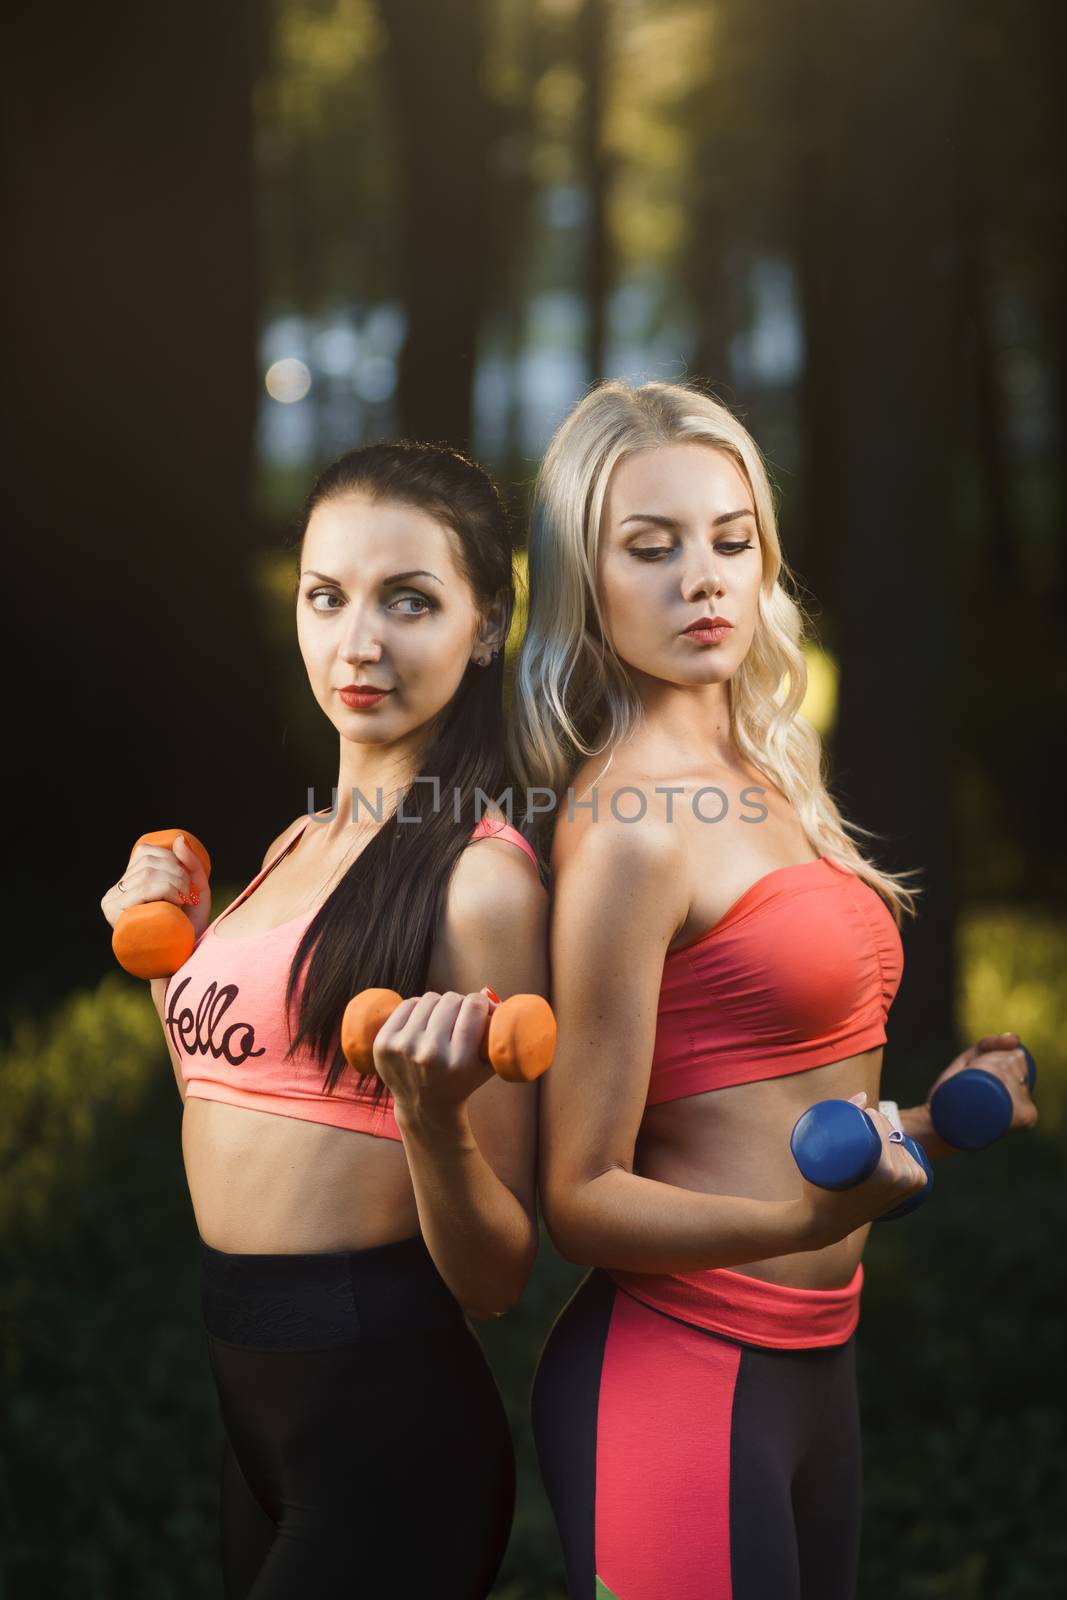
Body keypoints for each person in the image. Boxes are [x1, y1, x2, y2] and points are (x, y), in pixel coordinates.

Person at [508, 379, 1038, 1600]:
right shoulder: (631, 825)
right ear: (585, 580)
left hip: (814, 1366)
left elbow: (765, 1121)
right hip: (679, 1370)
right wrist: (797, 1224)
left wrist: (932, 1125)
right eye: (652, 548)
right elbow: (580, 1197)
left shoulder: (762, 767)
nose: (703, 577)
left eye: (730, 539)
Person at [100, 440, 548, 1599]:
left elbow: (498, 1274)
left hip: (385, 1430)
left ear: (486, 621)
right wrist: (173, 966)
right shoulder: (296, 846)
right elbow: (242, 1097)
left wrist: (432, 1117)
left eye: (409, 600)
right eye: (326, 596)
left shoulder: (479, 880)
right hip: (247, 1411)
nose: (358, 642)